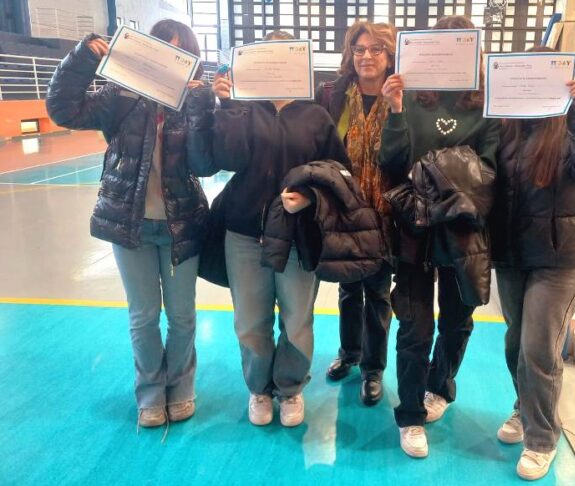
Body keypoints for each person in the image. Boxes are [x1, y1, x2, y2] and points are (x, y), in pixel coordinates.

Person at [46, 20, 216, 428]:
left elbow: (204, 164)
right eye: (162, 48)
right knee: (143, 316)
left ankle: (181, 387)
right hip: (129, 224)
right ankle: (151, 393)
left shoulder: (195, 101)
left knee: (182, 316)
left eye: (180, 53)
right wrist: (83, 58)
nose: (169, 60)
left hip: (180, 226)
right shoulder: (120, 95)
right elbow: (63, 109)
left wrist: (200, 105)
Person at [190, 30, 350, 427]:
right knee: (250, 321)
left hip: (298, 235)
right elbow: (223, 159)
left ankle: (290, 388)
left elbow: (339, 172)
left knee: (297, 320)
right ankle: (259, 389)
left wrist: (310, 196)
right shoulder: (242, 108)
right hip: (244, 233)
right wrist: (228, 106)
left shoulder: (316, 116)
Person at [491, 46, 575, 480]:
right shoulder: (505, 127)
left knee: (538, 348)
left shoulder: (572, 126)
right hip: (514, 254)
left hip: (560, 256)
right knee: (515, 344)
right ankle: (524, 407)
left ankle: (541, 437)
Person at [378, 16, 501, 458]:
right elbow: (391, 162)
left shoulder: (486, 106)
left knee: (456, 320)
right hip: (415, 230)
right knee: (414, 326)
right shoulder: (410, 99)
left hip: (463, 232)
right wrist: (395, 110)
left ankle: (441, 385)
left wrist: (432, 171)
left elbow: (488, 173)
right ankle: (410, 414)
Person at [315, 21, 396, 406]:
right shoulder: (334, 96)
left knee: (378, 293)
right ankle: (349, 352)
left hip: (385, 211)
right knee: (348, 288)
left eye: (377, 49)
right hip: (345, 208)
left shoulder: (402, 96)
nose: (367, 56)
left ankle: (373, 368)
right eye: (360, 49)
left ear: (390, 56)